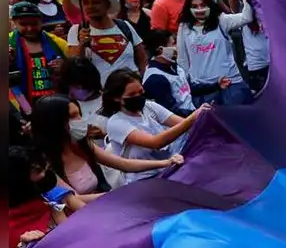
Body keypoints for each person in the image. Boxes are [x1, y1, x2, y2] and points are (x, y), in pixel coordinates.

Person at [31, 94, 184, 194]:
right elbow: (73, 201)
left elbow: (124, 164)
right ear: (53, 123)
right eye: (72, 116)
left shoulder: (83, 146)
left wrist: (165, 163)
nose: (80, 120)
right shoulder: (43, 164)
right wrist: (115, 197)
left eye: (79, 114)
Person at [100, 69, 207, 184]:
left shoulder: (149, 107)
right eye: (132, 94)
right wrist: (192, 118)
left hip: (170, 169)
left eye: (140, 92)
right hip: (143, 180)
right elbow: (156, 143)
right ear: (117, 98)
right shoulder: (116, 123)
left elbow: (180, 123)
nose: (138, 96)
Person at [176, 0, 256, 106]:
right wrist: (187, 86)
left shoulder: (221, 20)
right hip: (203, 88)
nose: (200, 9)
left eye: (203, 5)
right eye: (195, 6)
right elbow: (182, 59)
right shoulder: (184, 27)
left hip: (230, 83)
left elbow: (246, 18)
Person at [67, 0, 148, 85]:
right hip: (101, 94)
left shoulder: (124, 26)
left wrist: (141, 81)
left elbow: (142, 57)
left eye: (96, 2)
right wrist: (81, 44)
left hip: (132, 91)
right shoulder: (76, 30)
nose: (90, 6)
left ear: (107, 4)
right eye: (85, 3)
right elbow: (73, 67)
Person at [9, 1, 67, 105]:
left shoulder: (56, 42)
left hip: (56, 103)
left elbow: (77, 68)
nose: (30, 29)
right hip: (21, 105)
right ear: (14, 22)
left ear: (41, 21)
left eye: (34, 24)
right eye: (23, 24)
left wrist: (65, 66)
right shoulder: (8, 42)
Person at [142, 29, 195, 116]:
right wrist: (197, 115)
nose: (177, 47)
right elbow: (169, 112)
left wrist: (216, 85)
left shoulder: (174, 66)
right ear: (160, 50)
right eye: (173, 44)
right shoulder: (156, 79)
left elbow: (186, 88)